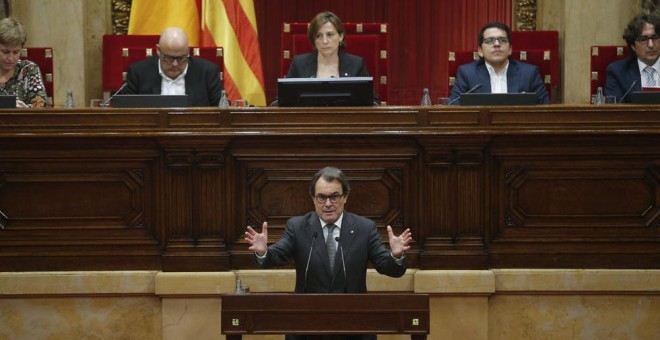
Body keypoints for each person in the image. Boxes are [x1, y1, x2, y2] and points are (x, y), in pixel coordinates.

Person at [244, 166, 412, 340]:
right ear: (313, 199)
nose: (328, 204)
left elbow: (387, 266)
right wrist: (263, 252)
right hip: (307, 328)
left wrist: (396, 256)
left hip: (355, 328)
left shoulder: (364, 228)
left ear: (345, 197)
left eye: (335, 196)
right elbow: (277, 255)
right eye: (322, 197)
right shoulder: (297, 226)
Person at [448, 22, 550, 105]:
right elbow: (454, 107)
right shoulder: (467, 74)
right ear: (480, 51)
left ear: (510, 49)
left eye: (502, 40)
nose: (497, 44)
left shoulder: (529, 73)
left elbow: (545, 110)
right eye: (489, 41)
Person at [124, 27, 222, 107]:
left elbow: (222, 109)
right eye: (169, 58)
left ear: (188, 51)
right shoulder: (139, 73)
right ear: (158, 50)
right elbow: (125, 110)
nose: (175, 64)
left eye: (181, 58)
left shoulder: (208, 72)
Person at [286, 11, 370, 79]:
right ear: (313, 40)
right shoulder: (299, 64)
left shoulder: (356, 64)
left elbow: (371, 99)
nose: (325, 41)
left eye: (330, 35)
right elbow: (282, 98)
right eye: (318, 36)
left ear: (340, 36)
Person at [605, 14, 660, 103]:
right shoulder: (617, 72)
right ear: (633, 46)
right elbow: (614, 112)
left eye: (655, 37)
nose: (651, 45)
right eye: (643, 39)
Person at [0, 17, 48, 107]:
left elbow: (41, 106)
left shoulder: (29, 69)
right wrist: (9, 105)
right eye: (5, 52)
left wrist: (22, 109)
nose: (10, 58)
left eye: (16, 52)